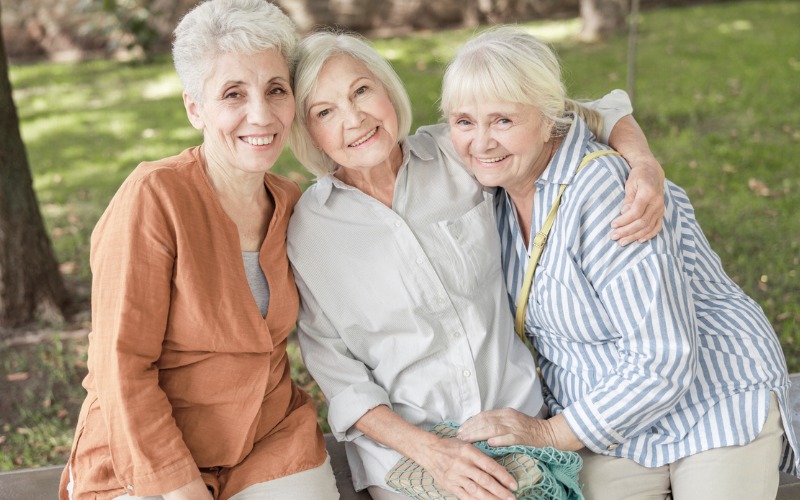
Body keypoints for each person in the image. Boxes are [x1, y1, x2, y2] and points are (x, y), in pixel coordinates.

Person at [286, 30, 665, 500]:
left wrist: (644, 163)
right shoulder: (309, 231)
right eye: (325, 111)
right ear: (309, 132)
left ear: (387, 88)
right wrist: (432, 453)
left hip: (520, 430)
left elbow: (589, 112)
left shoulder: (462, 149)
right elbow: (341, 380)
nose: (354, 118)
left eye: (361, 90)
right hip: (411, 460)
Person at [447, 27, 799, 500]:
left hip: (712, 394)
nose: (481, 142)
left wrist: (550, 434)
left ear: (551, 116)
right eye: (464, 122)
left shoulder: (604, 190)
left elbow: (664, 357)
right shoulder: (499, 191)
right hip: (611, 419)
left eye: (503, 121)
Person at [59, 1, 338, 498]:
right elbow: (120, 365)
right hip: (147, 447)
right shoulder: (154, 196)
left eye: (276, 89)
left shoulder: (292, 202)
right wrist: (180, 486)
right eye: (233, 93)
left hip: (266, 438)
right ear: (195, 109)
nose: (261, 113)